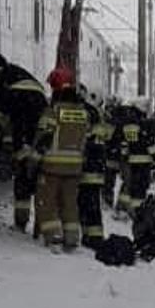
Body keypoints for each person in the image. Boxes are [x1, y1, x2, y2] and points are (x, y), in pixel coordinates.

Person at [0, 44, 48, 232]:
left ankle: (21, 222)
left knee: (22, 172)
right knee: (37, 175)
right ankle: (41, 224)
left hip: (23, 118)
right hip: (38, 116)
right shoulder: (16, 72)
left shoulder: (0, 79)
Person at [31, 68, 90, 252]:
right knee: (70, 203)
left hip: (52, 166)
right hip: (74, 168)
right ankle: (72, 237)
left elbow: (43, 137)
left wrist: (34, 159)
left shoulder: (53, 111)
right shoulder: (83, 114)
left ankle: (54, 236)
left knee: (48, 202)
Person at [76, 89, 112, 247]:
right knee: (93, 204)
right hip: (98, 167)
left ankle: (86, 235)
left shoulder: (86, 112)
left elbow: (81, 138)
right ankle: (95, 237)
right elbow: (107, 138)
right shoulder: (102, 116)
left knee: (83, 202)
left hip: (85, 166)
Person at [116, 98, 155, 215]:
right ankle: (137, 212)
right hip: (143, 162)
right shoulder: (144, 123)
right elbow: (149, 143)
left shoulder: (128, 123)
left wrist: (124, 157)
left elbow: (124, 143)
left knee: (131, 186)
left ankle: (123, 208)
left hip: (131, 161)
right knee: (140, 189)